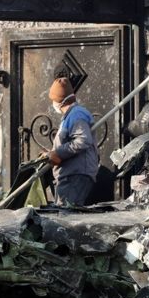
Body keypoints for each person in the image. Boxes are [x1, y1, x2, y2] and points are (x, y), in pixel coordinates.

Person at [46, 77, 99, 206]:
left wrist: (58, 153)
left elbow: (82, 140)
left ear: (59, 101)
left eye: (53, 100)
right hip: (71, 174)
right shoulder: (71, 116)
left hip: (75, 175)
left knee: (66, 217)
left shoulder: (77, 114)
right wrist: (52, 153)